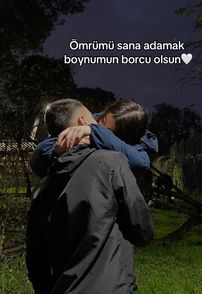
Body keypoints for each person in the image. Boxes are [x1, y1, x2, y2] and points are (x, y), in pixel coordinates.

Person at [26, 99, 154, 294]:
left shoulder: (42, 188)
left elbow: (36, 260)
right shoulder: (112, 163)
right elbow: (142, 231)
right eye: (98, 126)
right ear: (82, 123)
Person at [31, 100, 158, 178]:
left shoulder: (139, 141)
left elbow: (141, 163)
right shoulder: (90, 120)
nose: (100, 126)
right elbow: (40, 151)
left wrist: (94, 132)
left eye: (108, 131)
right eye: (102, 120)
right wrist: (56, 149)